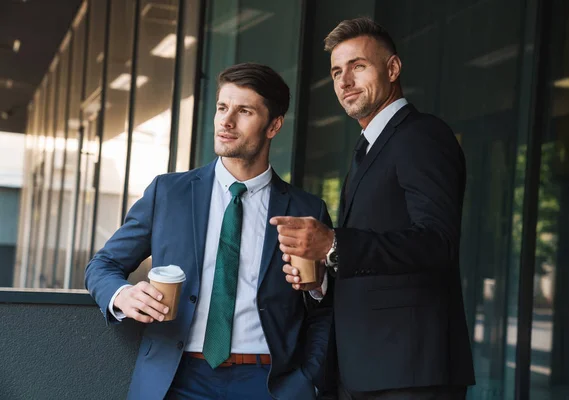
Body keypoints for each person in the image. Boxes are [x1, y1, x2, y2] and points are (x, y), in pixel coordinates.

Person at [85, 63, 333, 400]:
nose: (226, 121)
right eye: (222, 107)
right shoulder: (168, 193)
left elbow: (326, 304)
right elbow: (103, 265)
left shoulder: (307, 210)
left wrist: (308, 378)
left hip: (268, 383)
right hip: (176, 379)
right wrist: (121, 295)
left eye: (244, 111)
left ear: (274, 125)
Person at [270, 17, 475, 399]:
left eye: (357, 66)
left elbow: (438, 242)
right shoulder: (368, 149)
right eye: (336, 72)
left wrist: (333, 245)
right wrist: (320, 280)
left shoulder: (421, 135)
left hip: (410, 371)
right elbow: (373, 257)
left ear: (393, 69)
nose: (344, 82)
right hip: (367, 368)